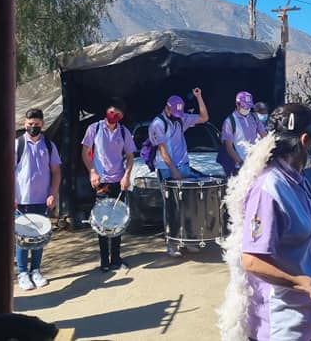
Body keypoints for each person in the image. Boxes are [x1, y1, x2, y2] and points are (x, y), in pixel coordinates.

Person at [218, 103, 311, 341]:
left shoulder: (299, 179)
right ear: (305, 140)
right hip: (286, 325)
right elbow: (253, 260)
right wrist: (306, 285)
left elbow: (294, 238)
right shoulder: (269, 187)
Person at [149, 89, 209, 256]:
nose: (177, 116)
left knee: (187, 205)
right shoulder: (157, 124)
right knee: (171, 206)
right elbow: (162, 150)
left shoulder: (181, 118)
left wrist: (199, 97)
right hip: (166, 169)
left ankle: (188, 240)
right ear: (167, 107)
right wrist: (173, 170)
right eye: (174, 112)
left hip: (184, 166)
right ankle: (172, 243)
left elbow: (204, 117)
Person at [81, 100, 137, 271]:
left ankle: (116, 259)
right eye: (111, 112)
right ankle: (104, 261)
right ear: (106, 111)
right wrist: (92, 172)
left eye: (118, 114)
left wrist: (126, 176)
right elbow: (85, 153)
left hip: (118, 181)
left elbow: (130, 156)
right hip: (101, 182)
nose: (114, 116)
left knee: (118, 220)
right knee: (103, 220)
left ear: (122, 116)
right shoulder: (94, 129)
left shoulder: (124, 131)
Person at [14, 108, 62, 291]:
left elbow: (56, 171)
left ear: (42, 124)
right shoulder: (17, 144)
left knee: (39, 237)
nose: (33, 127)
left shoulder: (49, 145)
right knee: (22, 238)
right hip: (22, 201)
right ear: (24, 124)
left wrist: (53, 193)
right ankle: (22, 273)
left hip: (42, 199)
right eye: (30, 124)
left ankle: (36, 270)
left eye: (36, 124)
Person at [219, 91, 267, 176]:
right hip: (239, 168)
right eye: (244, 106)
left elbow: (265, 137)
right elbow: (229, 147)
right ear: (237, 104)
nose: (247, 109)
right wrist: (241, 163)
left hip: (256, 165)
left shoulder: (254, 117)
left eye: (249, 107)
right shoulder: (229, 122)